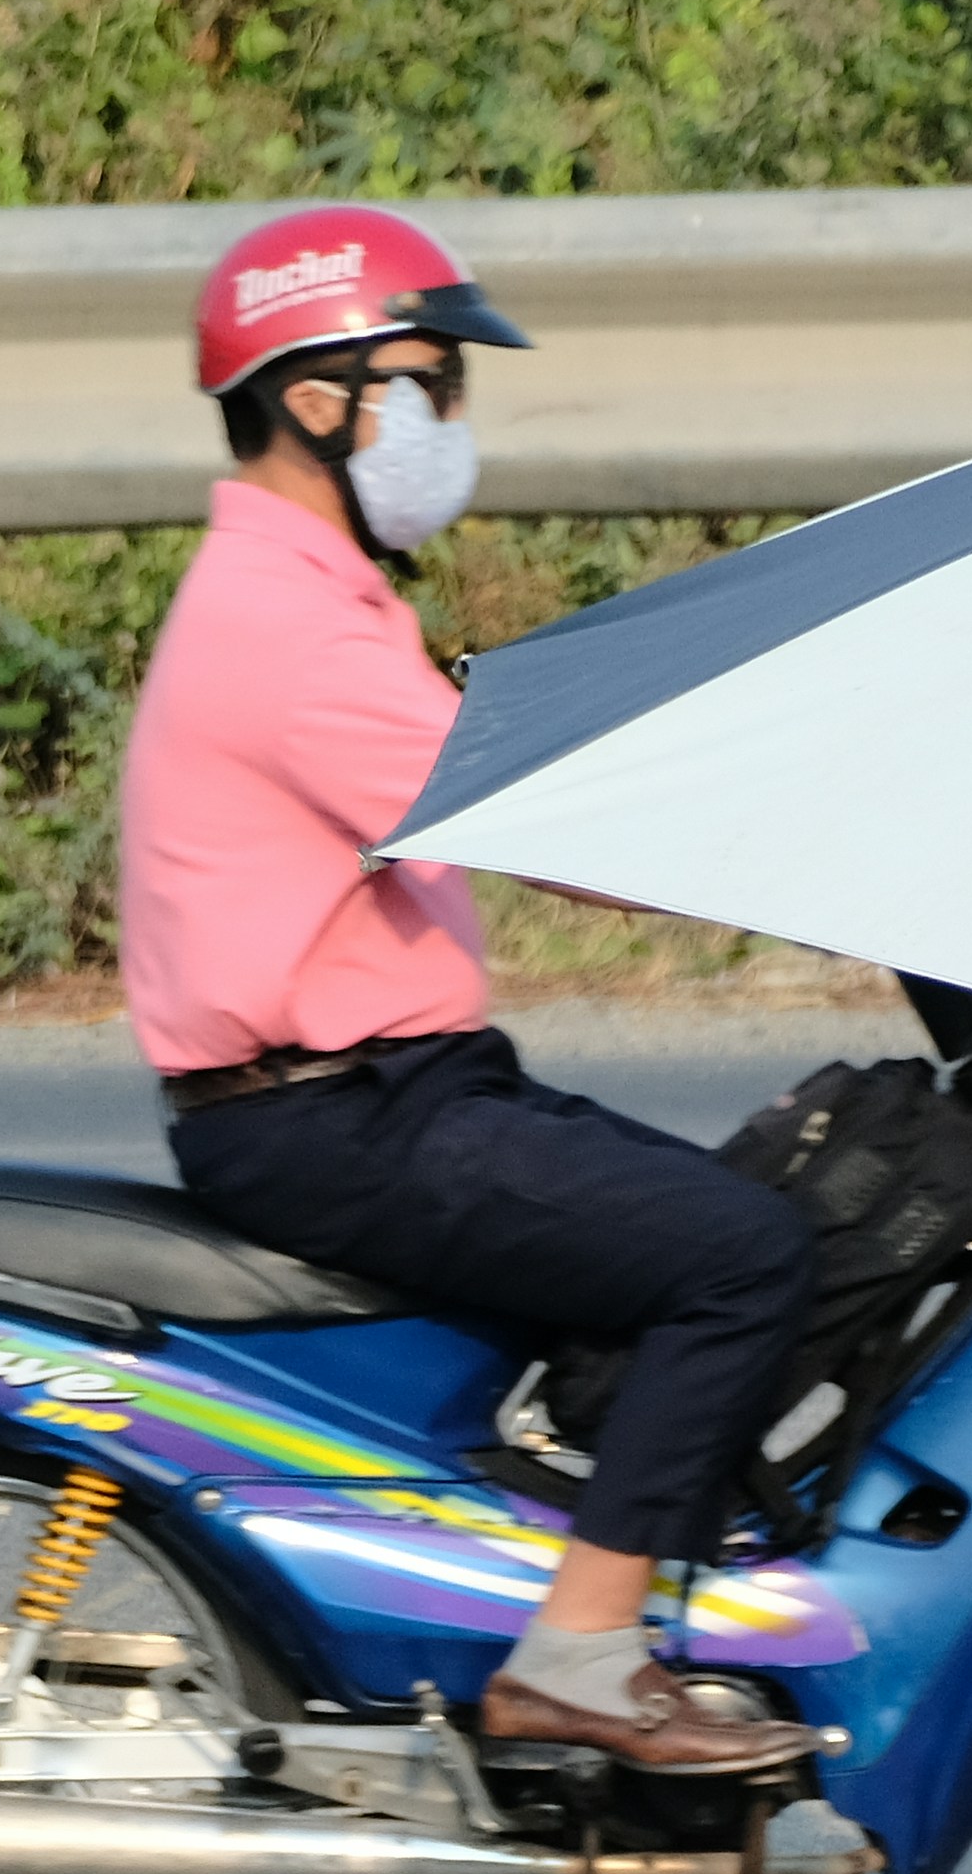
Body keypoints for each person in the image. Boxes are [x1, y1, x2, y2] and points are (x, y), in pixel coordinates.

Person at [122, 201, 823, 1778]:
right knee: (744, 1253)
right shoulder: (289, 623)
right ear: (321, 396)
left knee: (708, 1218)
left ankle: (576, 1576)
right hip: (343, 1118)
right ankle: (579, 1657)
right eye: (428, 381)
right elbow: (528, 811)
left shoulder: (320, 595)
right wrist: (805, 860)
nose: (451, 421)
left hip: (389, 1096)